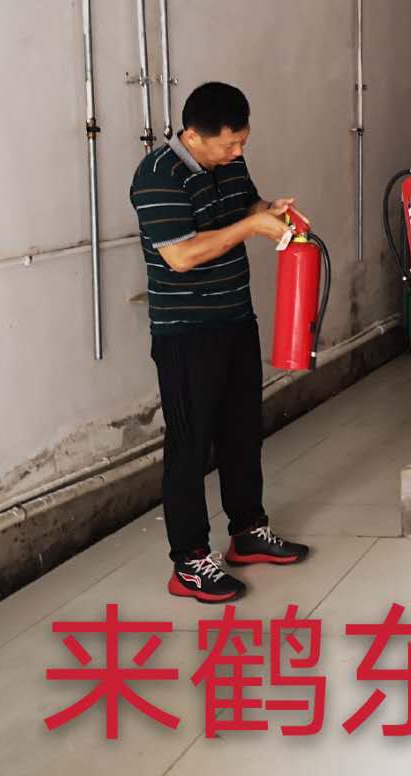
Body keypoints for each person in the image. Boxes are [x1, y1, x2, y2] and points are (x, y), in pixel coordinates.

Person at [129, 82, 310, 602]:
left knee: (242, 431)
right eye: (229, 144)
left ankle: (248, 531)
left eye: (243, 142)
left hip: (235, 318)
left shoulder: (230, 163)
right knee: (190, 445)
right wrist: (252, 226)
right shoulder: (156, 176)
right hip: (186, 332)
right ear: (192, 136)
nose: (238, 152)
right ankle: (188, 561)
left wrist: (267, 209)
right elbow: (181, 255)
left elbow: (243, 205)